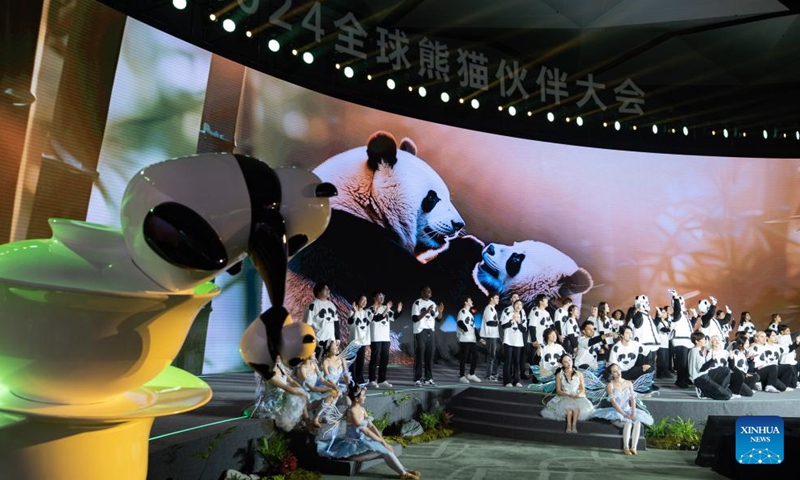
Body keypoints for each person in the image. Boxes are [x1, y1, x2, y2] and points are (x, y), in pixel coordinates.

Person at [317, 385, 421, 480]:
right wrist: (383, 443)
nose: (365, 397)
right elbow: (366, 431)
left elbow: (371, 426)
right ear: (357, 399)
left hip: (362, 443)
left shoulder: (362, 409)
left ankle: (404, 470)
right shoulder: (352, 412)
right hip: (351, 449)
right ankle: (403, 473)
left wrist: (383, 441)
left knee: (386, 450)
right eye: (363, 396)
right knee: (385, 451)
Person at [592, 363, 654, 455]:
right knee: (628, 423)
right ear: (611, 374)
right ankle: (626, 447)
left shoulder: (628, 383)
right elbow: (613, 402)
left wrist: (633, 412)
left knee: (637, 422)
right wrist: (623, 414)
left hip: (628, 409)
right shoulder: (610, 385)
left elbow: (633, 399)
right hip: (617, 412)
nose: (618, 372)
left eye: (618, 370)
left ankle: (634, 447)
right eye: (615, 371)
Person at [250, 357, 309, 432]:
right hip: (274, 402)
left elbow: (292, 382)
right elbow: (285, 387)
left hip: (282, 397)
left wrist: (303, 391)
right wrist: (303, 394)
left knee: (298, 393)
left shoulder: (280, 367)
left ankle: (307, 420)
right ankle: (307, 421)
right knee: (295, 396)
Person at [540, 354, 594, 433]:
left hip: (577, 396)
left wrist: (578, 395)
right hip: (564, 395)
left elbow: (583, 389)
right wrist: (568, 395)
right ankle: (569, 425)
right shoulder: (559, 375)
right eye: (565, 362)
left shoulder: (579, 374)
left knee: (576, 407)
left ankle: (574, 425)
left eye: (569, 360)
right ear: (562, 364)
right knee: (569, 409)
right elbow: (558, 390)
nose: (568, 363)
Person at [367, 292, 401, 388]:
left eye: (383, 296)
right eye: (379, 296)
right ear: (374, 298)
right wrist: (387, 309)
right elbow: (376, 318)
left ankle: (382, 379)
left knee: (384, 360)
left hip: (385, 338)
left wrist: (398, 311)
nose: (382, 298)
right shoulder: (370, 309)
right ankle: (372, 380)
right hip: (376, 337)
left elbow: (393, 317)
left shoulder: (385, 308)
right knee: (374, 359)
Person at [411, 286, 444, 387]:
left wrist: (441, 311)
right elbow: (415, 318)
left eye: (430, 291)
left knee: (430, 355)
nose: (429, 292)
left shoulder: (433, 303)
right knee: (420, 355)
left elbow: (438, 319)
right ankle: (417, 379)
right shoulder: (417, 303)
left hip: (431, 331)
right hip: (420, 331)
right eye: (427, 291)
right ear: (422, 292)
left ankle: (428, 378)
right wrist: (426, 311)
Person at [688, 333, 732, 400]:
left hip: (704, 375)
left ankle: (719, 390)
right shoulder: (698, 352)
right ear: (697, 341)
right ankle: (703, 393)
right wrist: (712, 360)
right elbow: (701, 369)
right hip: (700, 378)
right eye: (702, 339)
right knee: (727, 396)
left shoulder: (693, 350)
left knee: (725, 370)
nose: (705, 340)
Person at [304, 282, 340, 361]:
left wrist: (337, 337)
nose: (328, 291)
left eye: (328, 289)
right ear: (318, 291)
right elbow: (307, 325)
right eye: (326, 289)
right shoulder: (312, 305)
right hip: (318, 342)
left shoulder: (332, 305)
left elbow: (336, 321)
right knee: (318, 364)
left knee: (330, 364)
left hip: (331, 342)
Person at [501, 299, 527, 387]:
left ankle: (516, 380)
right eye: (517, 304)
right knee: (508, 361)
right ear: (513, 305)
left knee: (517, 361)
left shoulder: (523, 316)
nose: (519, 306)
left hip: (518, 342)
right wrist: (512, 321)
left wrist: (518, 322)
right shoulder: (508, 313)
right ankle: (507, 381)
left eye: (520, 305)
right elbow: (503, 326)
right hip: (508, 341)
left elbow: (524, 330)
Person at [457, 296, 481, 383]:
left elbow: (474, 327)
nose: (472, 301)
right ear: (466, 302)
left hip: (472, 339)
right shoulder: (462, 311)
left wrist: (479, 338)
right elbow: (460, 322)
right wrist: (465, 329)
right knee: (464, 357)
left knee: (475, 356)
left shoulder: (470, 314)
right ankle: (462, 375)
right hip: (465, 339)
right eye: (470, 300)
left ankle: (471, 374)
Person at [347, 294, 370, 384]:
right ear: (358, 300)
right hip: (354, 341)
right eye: (362, 300)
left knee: (361, 361)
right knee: (353, 361)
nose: (364, 302)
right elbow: (349, 322)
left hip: (362, 341)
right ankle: (353, 379)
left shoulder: (365, 313)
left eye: (366, 301)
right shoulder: (352, 311)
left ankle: (360, 379)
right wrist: (355, 312)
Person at [479, 292, 501, 381]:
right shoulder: (488, 309)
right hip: (490, 335)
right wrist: (500, 322)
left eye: (498, 298)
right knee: (491, 356)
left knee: (495, 355)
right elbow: (489, 322)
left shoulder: (493, 309)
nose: (498, 300)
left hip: (494, 335)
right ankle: (489, 375)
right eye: (496, 298)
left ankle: (493, 373)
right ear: (491, 299)